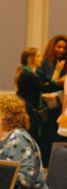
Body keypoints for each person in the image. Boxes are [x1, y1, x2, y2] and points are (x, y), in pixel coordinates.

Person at [15, 46, 62, 142]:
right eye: (38, 56)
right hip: (29, 111)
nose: (41, 58)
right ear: (31, 59)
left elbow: (48, 84)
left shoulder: (30, 73)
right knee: (31, 137)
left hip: (30, 109)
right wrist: (57, 71)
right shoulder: (28, 74)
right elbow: (46, 88)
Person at [36, 34, 67, 165]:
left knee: (59, 135)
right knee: (47, 135)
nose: (61, 50)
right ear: (52, 46)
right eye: (59, 47)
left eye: (64, 48)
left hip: (62, 106)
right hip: (48, 106)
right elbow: (42, 84)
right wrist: (56, 80)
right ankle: (46, 163)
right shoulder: (44, 62)